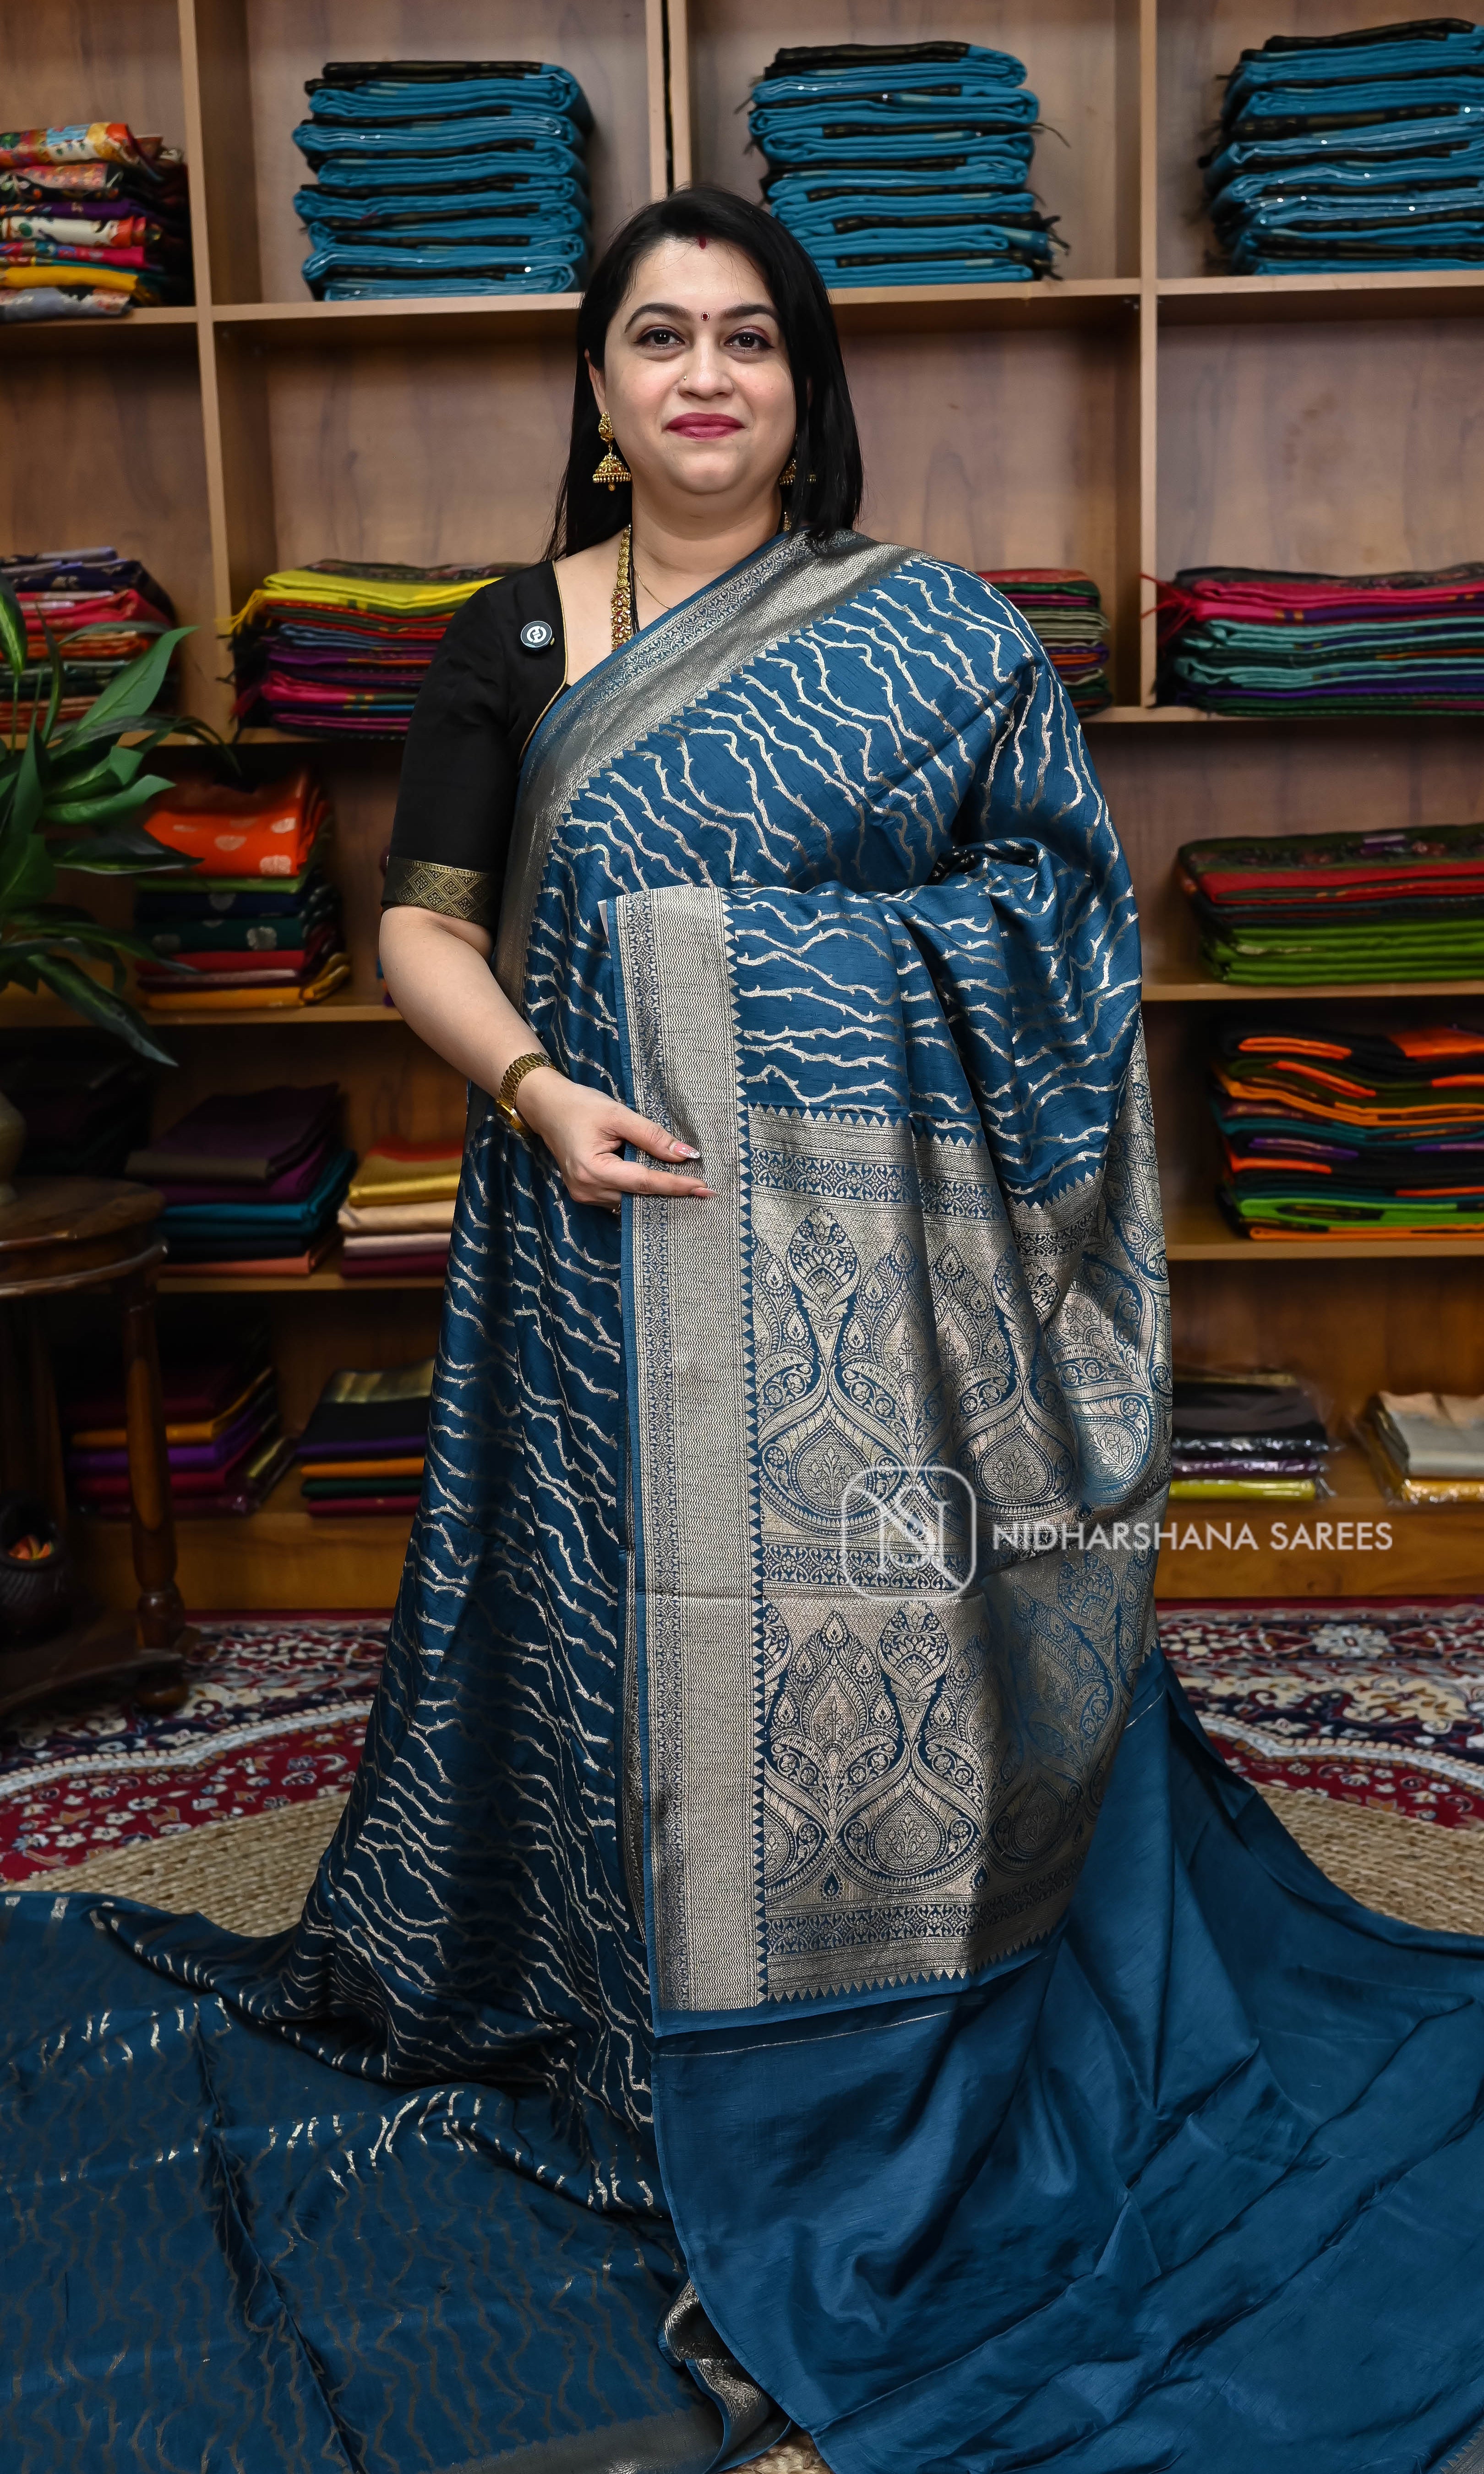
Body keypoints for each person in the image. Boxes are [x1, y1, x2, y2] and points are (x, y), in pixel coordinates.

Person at [5, 187, 1484, 2474]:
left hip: (881, 1278)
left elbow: (1061, 925)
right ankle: (631, 1993)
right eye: (660, 337)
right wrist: (536, 1087)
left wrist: (759, 975)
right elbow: (422, 929)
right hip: (595, 1226)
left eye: (751, 339)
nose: (706, 376)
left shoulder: (939, 640)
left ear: (806, 386)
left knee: (886, 1628)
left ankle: (895, 1991)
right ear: (598, 390)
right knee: (618, 1629)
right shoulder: (514, 636)